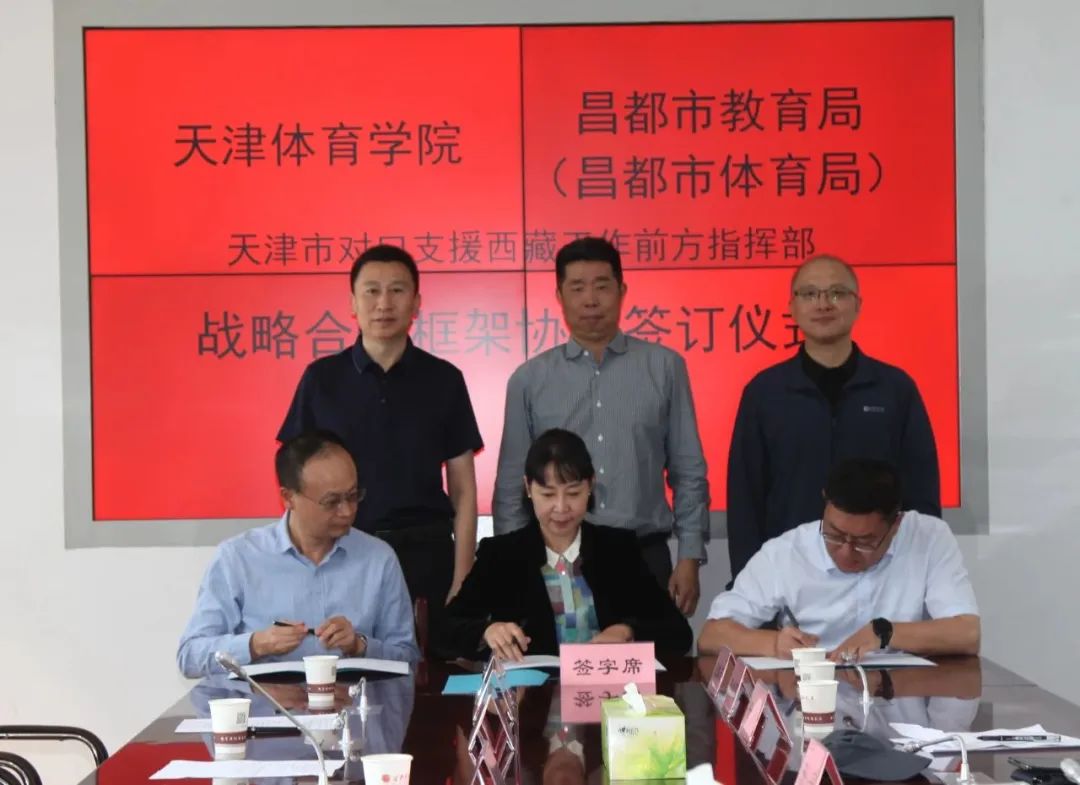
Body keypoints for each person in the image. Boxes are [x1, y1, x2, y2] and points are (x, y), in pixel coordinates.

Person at [277, 244, 483, 642]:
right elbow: (296, 479)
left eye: (397, 290)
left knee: (432, 666)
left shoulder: (443, 380)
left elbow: (463, 490)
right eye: (371, 291)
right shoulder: (322, 379)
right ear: (353, 303)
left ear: (416, 302)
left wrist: (462, 577)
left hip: (426, 554)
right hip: (344, 551)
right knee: (345, 661)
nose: (384, 303)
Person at [493, 236, 709, 615]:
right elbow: (513, 485)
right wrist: (514, 564)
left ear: (622, 291)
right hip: (557, 560)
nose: (590, 299)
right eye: (577, 288)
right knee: (558, 656)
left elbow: (687, 469)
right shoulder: (529, 380)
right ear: (559, 296)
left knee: (649, 654)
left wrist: (689, 555)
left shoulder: (664, 367)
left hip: (643, 555)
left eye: (602, 286)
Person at [726, 253, 941, 580]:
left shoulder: (895, 389)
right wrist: (749, 581)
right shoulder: (765, 393)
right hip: (790, 574)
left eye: (837, 293)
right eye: (810, 294)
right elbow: (745, 500)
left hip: (881, 573)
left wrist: (918, 574)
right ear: (792, 307)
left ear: (858, 305)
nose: (823, 304)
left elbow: (922, 493)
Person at [176, 431, 420, 677]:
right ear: (288, 498)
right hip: (263, 701)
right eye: (331, 501)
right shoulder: (238, 558)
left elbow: (408, 659)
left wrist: (360, 646)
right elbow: (190, 657)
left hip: (352, 700)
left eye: (353, 496)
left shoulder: (378, 558)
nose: (347, 511)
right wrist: (256, 645)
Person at [444, 429, 693, 660]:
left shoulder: (618, 549)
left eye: (573, 493)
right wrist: (486, 631)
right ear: (528, 488)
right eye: (548, 494)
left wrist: (628, 631)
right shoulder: (501, 555)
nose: (561, 508)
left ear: (590, 485)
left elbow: (678, 633)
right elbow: (444, 631)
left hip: (608, 688)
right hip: (534, 690)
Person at [699, 458, 978, 661]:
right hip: (811, 702)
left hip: (902, 699)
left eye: (864, 542)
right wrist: (773, 643)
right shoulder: (787, 551)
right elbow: (711, 636)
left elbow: (967, 634)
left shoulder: (928, 538)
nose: (845, 551)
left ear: (896, 525)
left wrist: (885, 633)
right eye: (833, 534)